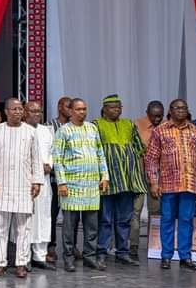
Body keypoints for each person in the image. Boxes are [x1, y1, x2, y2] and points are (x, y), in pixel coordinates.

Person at [145, 99, 196, 271]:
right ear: (170, 111)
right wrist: (153, 182)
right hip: (168, 184)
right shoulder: (160, 131)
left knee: (186, 220)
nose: (181, 111)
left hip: (190, 184)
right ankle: (166, 256)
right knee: (167, 220)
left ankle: (185, 257)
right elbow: (151, 159)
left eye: (184, 108)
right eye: (177, 108)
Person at [0, 98, 43, 278]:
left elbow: (36, 159)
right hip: (0, 187)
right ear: (6, 111)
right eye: (14, 109)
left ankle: (21, 263)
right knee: (0, 227)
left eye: (20, 109)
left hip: (23, 186)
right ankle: (1, 263)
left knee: (23, 228)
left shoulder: (30, 132)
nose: (18, 112)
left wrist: (37, 182)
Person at [53, 98, 109, 272]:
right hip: (71, 187)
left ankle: (89, 257)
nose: (82, 112)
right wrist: (61, 182)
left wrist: (104, 176)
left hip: (92, 186)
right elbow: (57, 159)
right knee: (69, 227)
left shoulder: (92, 129)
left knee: (91, 226)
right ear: (71, 111)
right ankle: (68, 258)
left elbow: (100, 153)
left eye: (84, 109)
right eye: (78, 109)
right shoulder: (64, 131)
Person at [94, 95, 146, 268]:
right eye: (113, 107)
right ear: (105, 109)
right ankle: (101, 252)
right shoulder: (96, 125)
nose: (117, 109)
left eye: (119, 107)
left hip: (127, 180)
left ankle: (122, 252)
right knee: (105, 219)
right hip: (107, 181)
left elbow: (139, 148)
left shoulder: (129, 124)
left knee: (125, 219)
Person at [24, 101, 56, 270]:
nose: (37, 114)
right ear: (24, 113)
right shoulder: (20, 129)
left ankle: (40, 256)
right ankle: (25, 257)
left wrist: (49, 165)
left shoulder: (46, 131)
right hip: (25, 182)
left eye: (39, 111)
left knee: (44, 218)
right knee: (27, 219)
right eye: (33, 111)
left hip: (44, 182)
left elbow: (52, 152)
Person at [131, 100, 164, 259]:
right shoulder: (136, 125)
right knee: (135, 210)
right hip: (139, 171)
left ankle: (153, 246)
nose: (157, 120)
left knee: (155, 210)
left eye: (160, 116)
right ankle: (133, 247)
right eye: (153, 116)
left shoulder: (166, 126)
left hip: (157, 174)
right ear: (147, 112)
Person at [46, 96, 75, 262]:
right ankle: (51, 247)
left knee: (71, 217)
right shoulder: (49, 126)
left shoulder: (77, 127)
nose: (71, 109)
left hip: (74, 179)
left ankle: (71, 248)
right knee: (52, 214)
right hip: (55, 179)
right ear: (59, 107)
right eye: (68, 106)